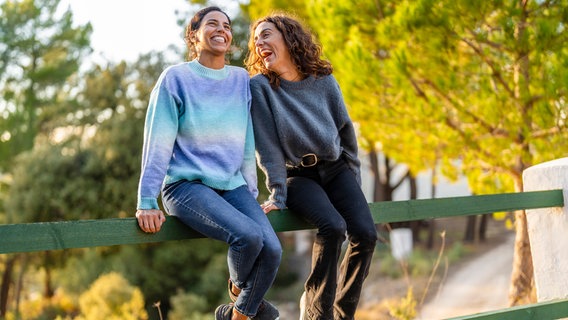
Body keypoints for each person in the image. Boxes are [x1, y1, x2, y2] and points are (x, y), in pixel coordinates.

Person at [135, 6, 282, 320]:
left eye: (227, 26)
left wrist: (252, 194)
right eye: (212, 23)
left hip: (233, 187)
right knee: (249, 236)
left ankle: (237, 313)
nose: (222, 30)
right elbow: (157, 142)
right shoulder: (175, 78)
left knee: (272, 249)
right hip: (185, 188)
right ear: (194, 34)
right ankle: (246, 305)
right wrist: (147, 200)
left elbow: (245, 143)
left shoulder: (241, 80)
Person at [245, 13, 378, 320]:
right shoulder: (260, 88)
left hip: (335, 169)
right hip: (297, 176)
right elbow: (267, 148)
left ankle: (343, 313)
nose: (259, 43)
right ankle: (318, 313)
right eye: (256, 40)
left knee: (366, 234)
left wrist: (352, 180)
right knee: (333, 227)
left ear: (289, 38)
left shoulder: (324, 81)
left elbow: (346, 132)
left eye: (266, 35)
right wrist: (277, 194)